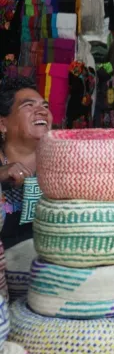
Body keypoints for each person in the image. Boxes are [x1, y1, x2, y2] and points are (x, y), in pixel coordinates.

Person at [0, 77, 52, 248]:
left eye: (45, 106)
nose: (43, 111)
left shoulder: (61, 166)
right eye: (29, 106)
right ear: (3, 124)